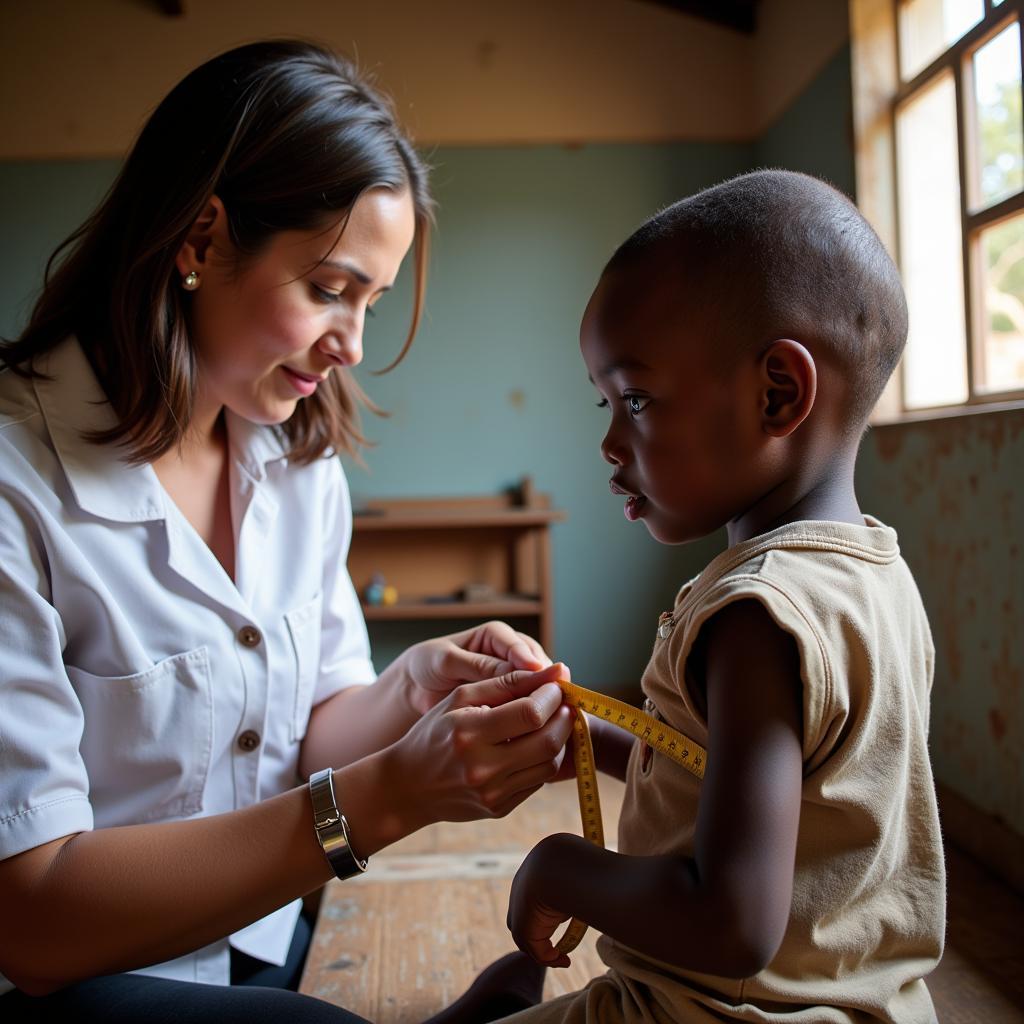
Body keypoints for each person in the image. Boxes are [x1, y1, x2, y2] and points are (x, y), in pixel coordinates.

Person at [0, 40, 576, 1023]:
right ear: (200, 239)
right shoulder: (18, 480)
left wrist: (411, 687)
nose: (352, 345)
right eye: (330, 289)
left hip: (260, 932)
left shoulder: (297, 461)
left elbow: (306, 730)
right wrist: (389, 796)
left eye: (371, 302)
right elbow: (34, 918)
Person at [430, 170, 945, 1024]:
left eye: (635, 399)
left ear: (777, 392)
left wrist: (558, 867)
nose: (607, 439)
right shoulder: (874, 578)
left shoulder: (757, 616)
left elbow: (731, 921)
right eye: (605, 402)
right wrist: (604, 743)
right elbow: (786, 794)